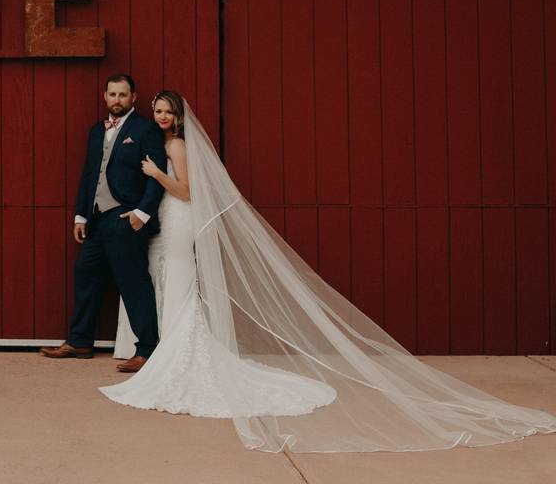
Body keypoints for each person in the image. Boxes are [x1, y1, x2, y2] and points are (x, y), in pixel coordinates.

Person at [101, 91, 556, 453]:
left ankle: (179, 359)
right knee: (168, 287)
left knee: (179, 287)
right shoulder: (156, 142)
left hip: (180, 222)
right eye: (157, 111)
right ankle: (165, 353)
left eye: (167, 111)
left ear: (178, 117)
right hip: (162, 224)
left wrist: (157, 176)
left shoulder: (177, 145)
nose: (161, 117)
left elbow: (186, 191)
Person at [39, 74, 167, 373]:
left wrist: (141, 214)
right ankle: (80, 341)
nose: (117, 100)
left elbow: (156, 175)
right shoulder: (97, 131)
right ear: (105, 96)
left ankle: (147, 349)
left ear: (133, 97)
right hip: (97, 219)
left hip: (125, 218)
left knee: (133, 282)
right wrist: (81, 215)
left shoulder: (145, 130)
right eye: (112, 94)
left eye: (123, 95)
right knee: (86, 273)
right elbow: (89, 175)